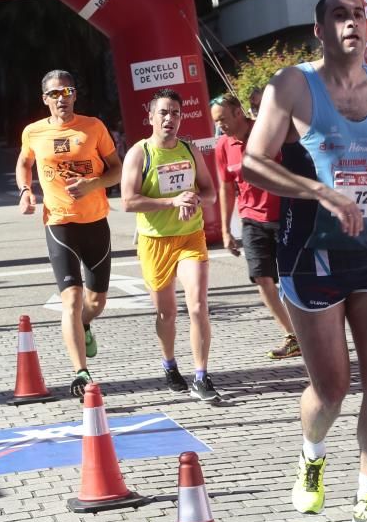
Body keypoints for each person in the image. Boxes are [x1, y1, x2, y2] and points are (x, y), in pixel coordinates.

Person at [242, 0, 367, 522]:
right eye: (339, 16)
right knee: (332, 387)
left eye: (358, 14)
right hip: (308, 255)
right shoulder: (292, 86)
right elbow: (253, 164)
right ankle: (312, 454)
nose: (351, 23)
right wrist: (320, 192)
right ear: (319, 31)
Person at [16, 70, 122, 400]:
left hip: (95, 221)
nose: (62, 98)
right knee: (71, 300)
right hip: (59, 223)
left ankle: (86, 324)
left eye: (67, 92)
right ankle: (80, 371)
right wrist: (24, 191)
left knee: (95, 302)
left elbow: (116, 168)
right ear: (45, 99)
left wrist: (93, 183)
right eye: (55, 94)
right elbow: (24, 162)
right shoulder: (33, 132)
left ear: (75, 95)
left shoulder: (93, 127)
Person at [121, 88, 221, 403]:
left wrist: (194, 199)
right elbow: (128, 201)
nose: (170, 119)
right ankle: (169, 365)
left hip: (190, 236)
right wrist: (171, 201)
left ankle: (202, 376)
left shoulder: (190, 150)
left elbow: (210, 193)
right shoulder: (140, 153)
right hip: (155, 241)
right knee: (167, 313)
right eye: (163, 112)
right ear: (150, 117)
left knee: (197, 306)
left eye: (175, 113)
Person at [212, 93, 301, 360]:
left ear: (239, 113)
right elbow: (226, 187)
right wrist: (227, 230)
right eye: (217, 122)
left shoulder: (268, 132)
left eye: (223, 120)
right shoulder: (222, 146)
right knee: (261, 277)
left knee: (293, 280)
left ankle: (314, 329)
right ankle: (291, 335)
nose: (220, 126)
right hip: (251, 219)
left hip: (285, 215)